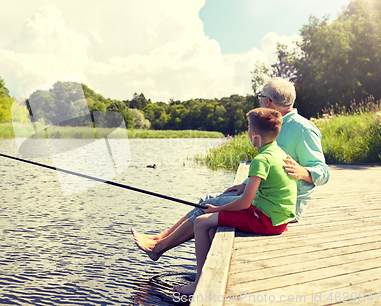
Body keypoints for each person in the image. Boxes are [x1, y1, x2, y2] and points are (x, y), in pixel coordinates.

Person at [131, 77, 330, 261]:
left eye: (260, 97)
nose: (259, 101)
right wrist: (244, 184)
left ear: (267, 101)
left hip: (280, 207)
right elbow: (269, 167)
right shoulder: (273, 124)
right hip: (264, 197)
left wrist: (303, 172)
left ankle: (159, 247)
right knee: (207, 199)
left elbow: (323, 172)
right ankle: (160, 238)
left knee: (211, 204)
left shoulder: (302, 128)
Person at [173, 108, 297, 295]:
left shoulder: (261, 160)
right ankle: (209, 270)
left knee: (200, 222)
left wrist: (217, 209)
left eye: (248, 127)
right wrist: (220, 211)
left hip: (266, 220)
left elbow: (245, 203)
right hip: (278, 219)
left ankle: (198, 282)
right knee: (213, 226)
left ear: (254, 135)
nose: (247, 131)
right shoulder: (280, 153)